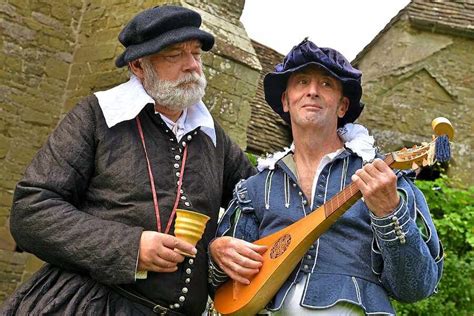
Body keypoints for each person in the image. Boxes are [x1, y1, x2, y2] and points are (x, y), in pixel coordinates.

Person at [1, 5, 255, 316]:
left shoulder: (213, 137)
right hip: (88, 305)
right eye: (175, 55)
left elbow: (256, 204)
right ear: (138, 65)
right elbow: (30, 211)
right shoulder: (97, 115)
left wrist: (221, 243)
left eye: (196, 54)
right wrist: (129, 247)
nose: (192, 66)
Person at [208, 39, 443, 315]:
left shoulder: (382, 178)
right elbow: (221, 291)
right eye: (302, 82)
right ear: (286, 100)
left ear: (342, 106)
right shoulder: (255, 189)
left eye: (326, 84)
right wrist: (217, 254)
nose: (312, 92)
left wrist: (390, 213)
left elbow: (417, 287)